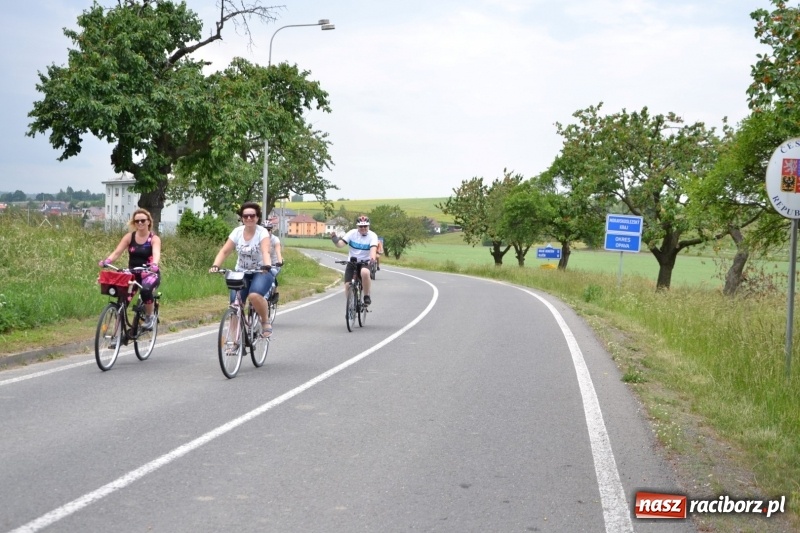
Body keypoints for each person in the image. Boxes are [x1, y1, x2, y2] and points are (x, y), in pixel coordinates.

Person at [209, 202, 273, 338]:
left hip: (261, 272)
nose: (249, 218)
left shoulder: (262, 233)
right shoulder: (237, 232)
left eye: (252, 216)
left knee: (254, 295)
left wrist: (267, 265)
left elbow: (265, 251)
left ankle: (265, 321)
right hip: (240, 273)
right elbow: (225, 251)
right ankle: (233, 342)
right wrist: (216, 265)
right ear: (242, 218)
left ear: (257, 217)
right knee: (235, 306)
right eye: (245, 216)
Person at [98, 208, 161, 330]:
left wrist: (154, 264)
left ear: (148, 222)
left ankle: (150, 316)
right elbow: (117, 252)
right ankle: (117, 334)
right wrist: (107, 261)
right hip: (132, 274)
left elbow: (156, 253)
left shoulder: (154, 239)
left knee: (146, 290)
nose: (140, 223)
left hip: (149, 274)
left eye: (143, 220)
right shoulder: (129, 237)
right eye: (137, 221)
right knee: (122, 300)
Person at [330, 215, 378, 305]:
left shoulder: (372, 236)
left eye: (365, 226)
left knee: (365, 272)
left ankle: (366, 295)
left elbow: (373, 250)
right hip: (352, 262)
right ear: (357, 226)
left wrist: (372, 259)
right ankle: (351, 306)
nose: (363, 228)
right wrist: (335, 239)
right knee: (348, 285)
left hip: (365, 261)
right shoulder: (352, 233)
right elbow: (340, 245)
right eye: (361, 226)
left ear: (368, 226)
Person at [264, 220, 284, 301]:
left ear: (271, 230)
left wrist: (280, 261)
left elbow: (278, 251)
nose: (267, 232)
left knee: (271, 274)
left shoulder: (275, 239)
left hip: (274, 263)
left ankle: (273, 294)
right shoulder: (259, 239)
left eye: (268, 230)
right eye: (265, 230)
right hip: (264, 263)